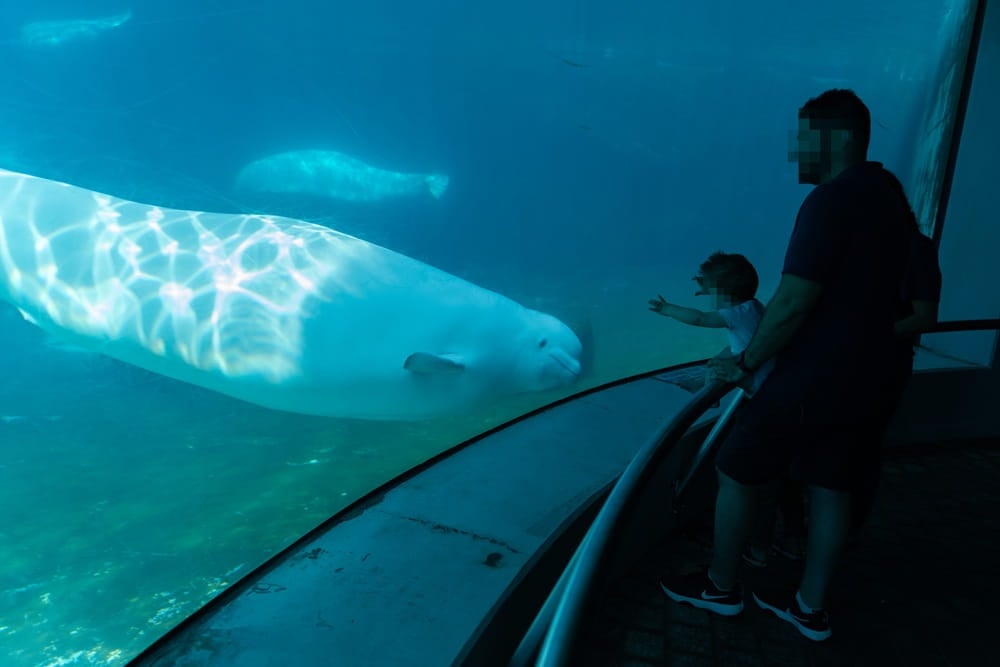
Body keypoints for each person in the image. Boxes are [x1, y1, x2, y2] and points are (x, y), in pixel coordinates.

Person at [658, 89, 912, 642]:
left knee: (735, 468)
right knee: (831, 486)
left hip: (812, 378)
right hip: (871, 376)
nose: (796, 153)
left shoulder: (830, 200)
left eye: (803, 140)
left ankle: (721, 587)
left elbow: (794, 300)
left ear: (835, 138)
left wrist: (746, 361)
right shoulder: (889, 195)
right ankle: (809, 607)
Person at [648, 251, 774, 396]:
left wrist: (669, 309)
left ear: (723, 294)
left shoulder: (736, 314)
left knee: (715, 365)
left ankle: (708, 395)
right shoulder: (754, 307)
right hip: (768, 371)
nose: (712, 300)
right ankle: (702, 383)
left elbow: (699, 318)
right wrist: (711, 288)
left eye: (713, 294)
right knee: (727, 351)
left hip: (756, 381)